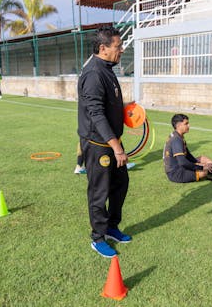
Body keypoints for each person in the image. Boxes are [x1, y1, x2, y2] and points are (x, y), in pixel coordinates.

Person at [77, 26, 132, 258]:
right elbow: (96, 114)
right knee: (99, 192)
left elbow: (108, 105)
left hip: (112, 142)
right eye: (118, 46)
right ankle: (98, 237)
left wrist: (127, 108)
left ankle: (111, 226)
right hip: (100, 145)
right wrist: (117, 148)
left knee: (120, 184)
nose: (121, 50)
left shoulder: (107, 69)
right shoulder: (93, 74)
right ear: (103, 48)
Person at [163, 113, 212, 183]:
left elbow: (188, 155)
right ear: (179, 125)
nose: (189, 126)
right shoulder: (176, 139)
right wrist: (202, 167)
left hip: (179, 167)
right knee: (206, 170)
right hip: (176, 173)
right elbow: (182, 162)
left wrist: (198, 163)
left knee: (203, 159)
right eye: (186, 124)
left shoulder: (178, 136)